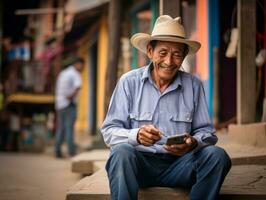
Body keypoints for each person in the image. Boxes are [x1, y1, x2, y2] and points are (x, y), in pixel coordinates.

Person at [101, 15, 231, 200]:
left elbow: (207, 133)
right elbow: (109, 131)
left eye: (177, 54)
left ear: (184, 56)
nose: (169, 61)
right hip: (140, 166)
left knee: (217, 156)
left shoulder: (193, 85)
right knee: (120, 152)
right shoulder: (128, 82)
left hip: (181, 166)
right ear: (149, 51)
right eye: (162, 53)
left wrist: (192, 143)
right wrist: (135, 135)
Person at [55, 56, 84, 158]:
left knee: (61, 128)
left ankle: (57, 150)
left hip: (60, 104)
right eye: (82, 65)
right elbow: (78, 87)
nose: (82, 68)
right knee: (69, 128)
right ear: (78, 64)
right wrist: (70, 97)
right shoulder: (75, 74)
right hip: (69, 104)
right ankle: (71, 151)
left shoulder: (63, 73)